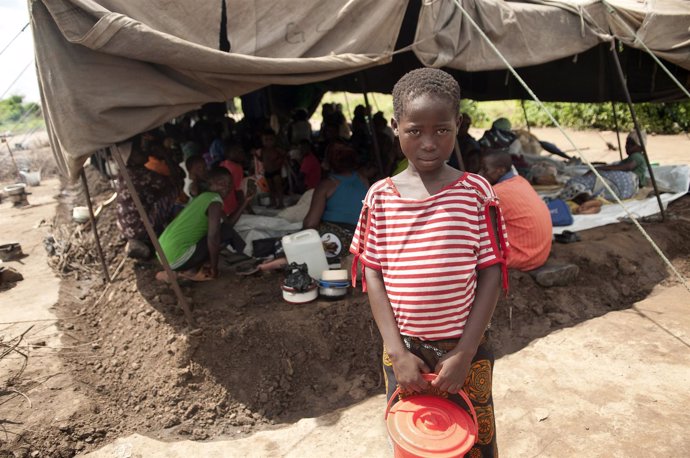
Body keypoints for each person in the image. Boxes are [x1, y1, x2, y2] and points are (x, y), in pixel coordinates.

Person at [350, 68, 508, 457]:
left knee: (472, 436)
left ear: (459, 125)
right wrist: (397, 352)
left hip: (464, 348)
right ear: (395, 127)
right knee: (415, 435)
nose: (428, 143)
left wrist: (466, 352)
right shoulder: (380, 198)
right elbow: (373, 274)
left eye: (442, 130)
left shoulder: (476, 193)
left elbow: (490, 271)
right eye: (415, 130)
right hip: (405, 353)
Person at [156, 167, 249, 282]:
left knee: (225, 230)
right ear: (210, 184)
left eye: (229, 183)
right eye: (221, 183)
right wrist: (214, 268)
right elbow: (214, 237)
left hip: (162, 253)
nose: (226, 187)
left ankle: (189, 267)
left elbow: (228, 223)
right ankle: (190, 271)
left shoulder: (204, 198)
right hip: (176, 258)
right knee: (225, 233)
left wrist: (246, 201)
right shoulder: (214, 201)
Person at [479, 149, 551, 271]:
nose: (480, 174)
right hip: (540, 254)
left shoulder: (498, 193)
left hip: (523, 257)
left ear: (500, 170)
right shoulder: (521, 181)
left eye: (485, 170)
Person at [559, 130, 647, 202]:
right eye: (627, 143)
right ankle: (585, 193)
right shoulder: (635, 157)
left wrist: (601, 168)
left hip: (629, 183)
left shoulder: (637, 156)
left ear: (641, 148)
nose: (627, 146)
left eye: (632, 144)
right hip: (628, 189)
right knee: (601, 181)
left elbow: (628, 167)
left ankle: (579, 189)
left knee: (596, 175)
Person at [253, 129, 286, 208]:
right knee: (270, 188)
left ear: (274, 140)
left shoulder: (277, 149)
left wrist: (279, 160)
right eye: (266, 140)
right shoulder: (263, 150)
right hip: (267, 172)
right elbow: (262, 160)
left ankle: (281, 203)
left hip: (276, 171)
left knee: (278, 188)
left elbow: (285, 155)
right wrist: (256, 155)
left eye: (271, 139)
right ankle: (273, 202)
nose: (268, 142)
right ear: (262, 141)